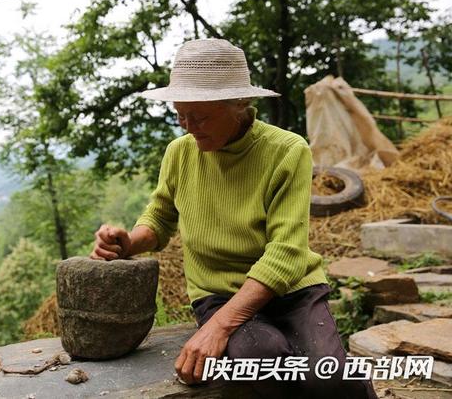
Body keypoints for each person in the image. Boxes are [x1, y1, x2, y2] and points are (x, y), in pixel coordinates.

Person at [90, 38, 377, 399]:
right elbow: (160, 217)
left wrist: (218, 329)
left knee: (332, 378)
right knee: (260, 357)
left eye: (201, 116)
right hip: (219, 293)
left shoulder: (287, 151)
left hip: (292, 290)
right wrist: (129, 242)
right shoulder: (180, 152)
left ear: (241, 103)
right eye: (181, 115)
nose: (189, 127)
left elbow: (287, 253)